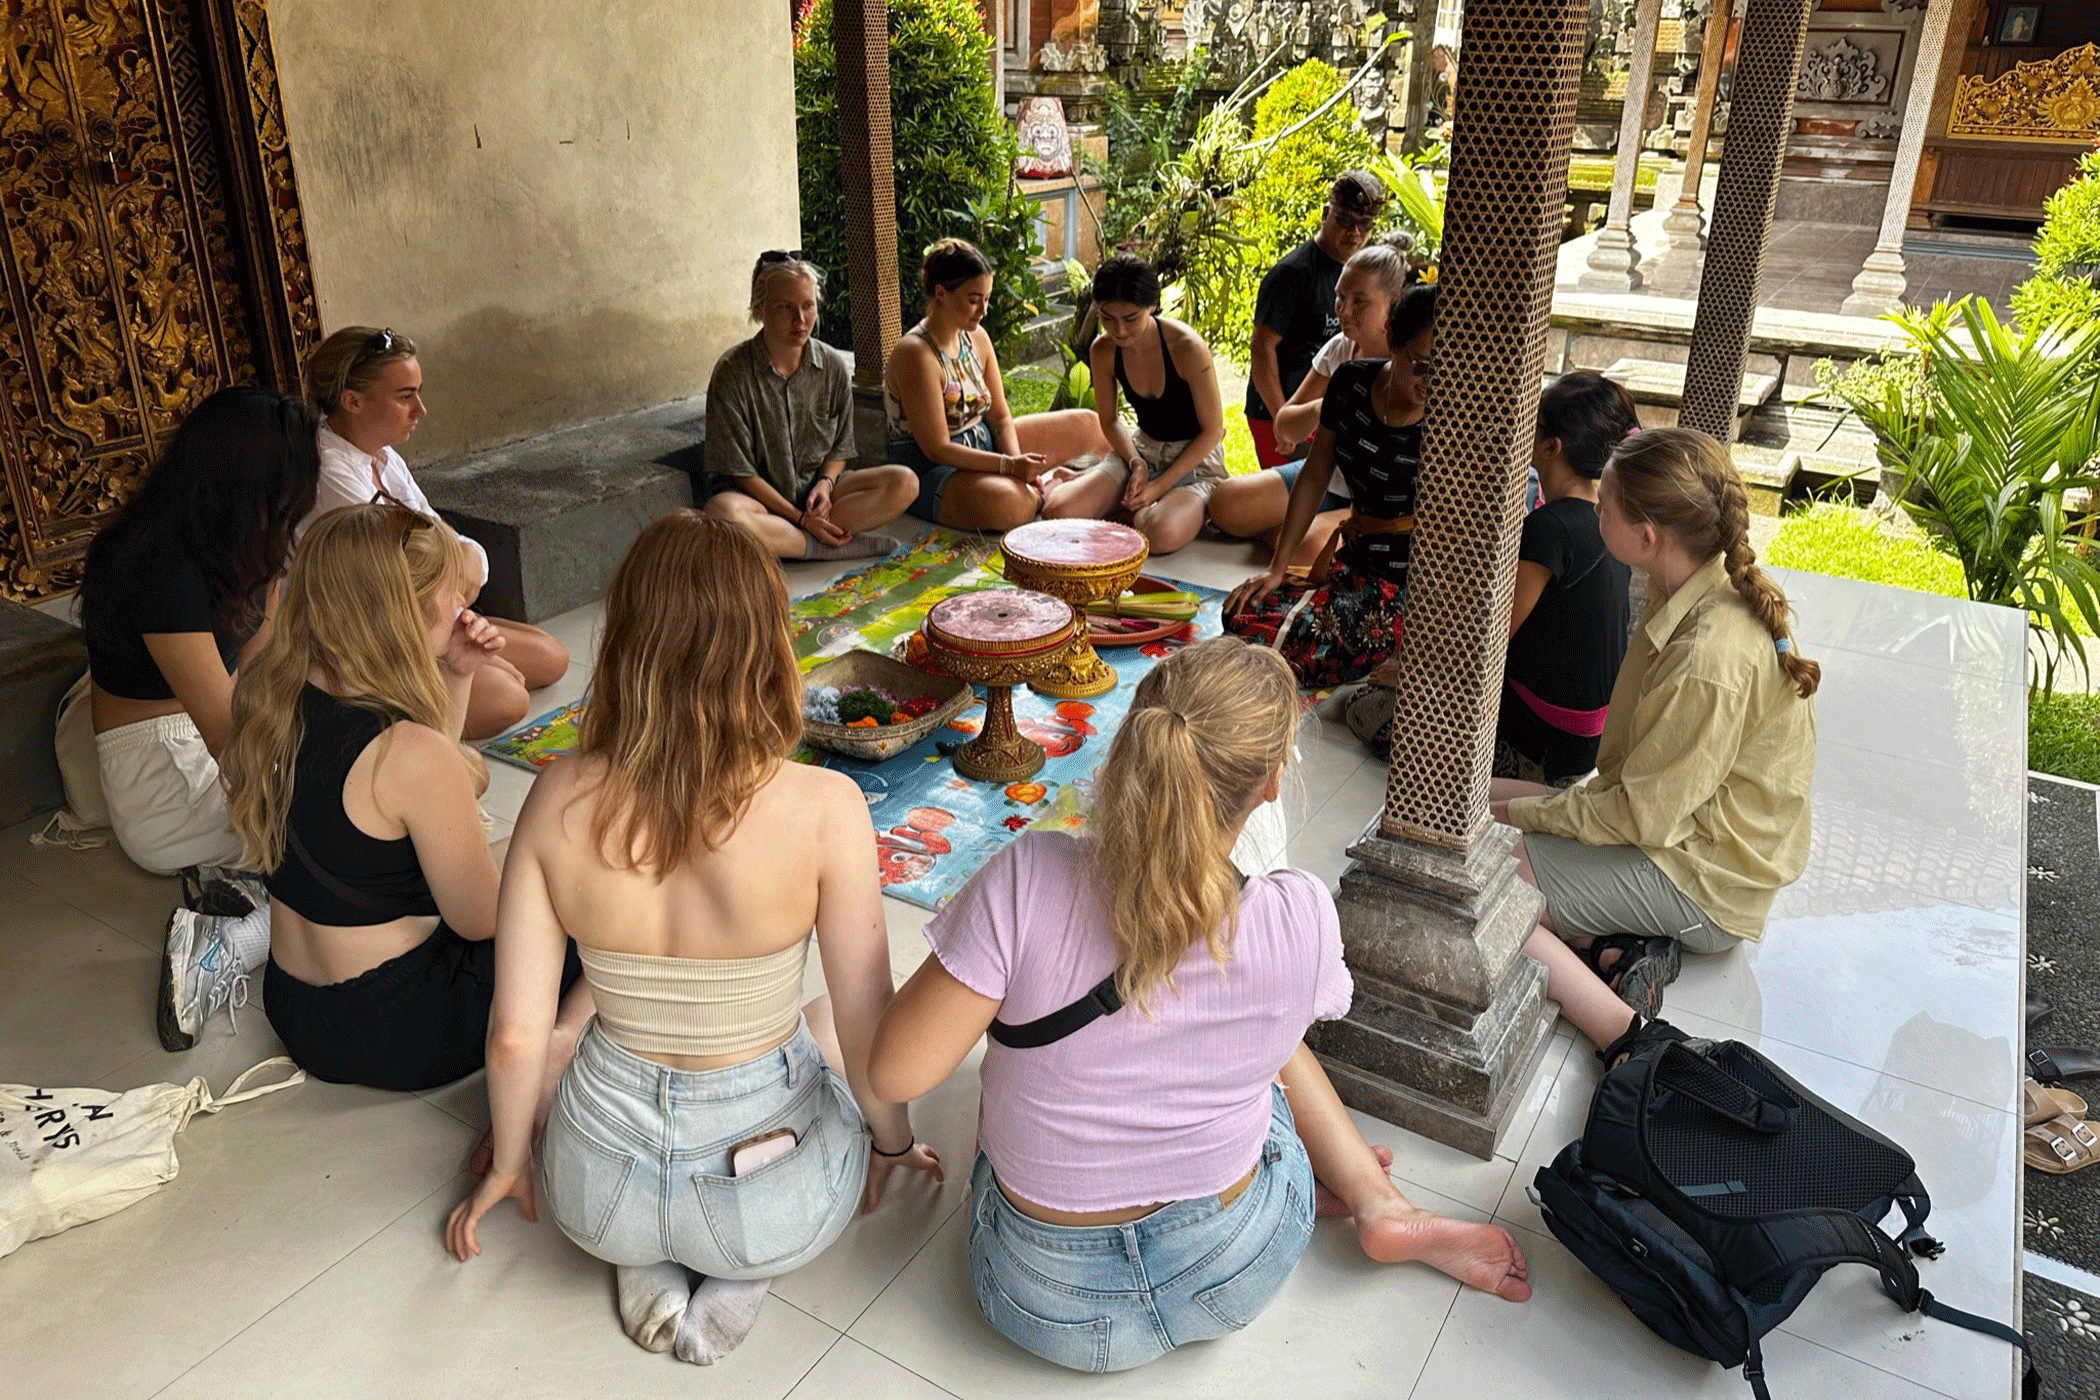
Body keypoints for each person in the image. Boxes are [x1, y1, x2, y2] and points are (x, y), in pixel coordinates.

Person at [870, 637, 1529, 1375]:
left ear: (1130, 751)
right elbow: (1266, 1036)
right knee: (1265, 1029)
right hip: (1238, 1266)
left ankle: (1354, 1191)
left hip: (1041, 1301)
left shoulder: (1028, 877)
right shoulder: (1298, 913)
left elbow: (896, 1074)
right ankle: (1377, 1201)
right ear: (1271, 782)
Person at [445, 513, 941, 1366]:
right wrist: (892, 1146)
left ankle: (641, 1257)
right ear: (767, 647)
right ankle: (740, 1265)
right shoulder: (824, 808)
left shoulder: (556, 794)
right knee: (824, 1017)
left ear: (627, 642)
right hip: (767, 1186)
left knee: (620, 1107)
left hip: (597, 1192)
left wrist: (509, 1164)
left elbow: (517, 1037)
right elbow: (868, 1030)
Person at [220, 502, 594, 1090]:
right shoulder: (409, 753)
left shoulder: (275, 698)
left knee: (514, 857)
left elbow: (409, 811)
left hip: (298, 1010)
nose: (463, 609)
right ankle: (564, 1043)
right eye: (451, 594)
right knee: (610, 882)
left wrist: (459, 673)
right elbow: (480, 920)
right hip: (400, 1031)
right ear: (401, 613)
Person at [1489, 427, 1818, 1060]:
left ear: (1646, 536)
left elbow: (1640, 814)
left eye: (1603, 507)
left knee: (1491, 877)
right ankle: (1619, 947)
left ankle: (1620, 1032)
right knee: (1482, 802)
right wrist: (1511, 810)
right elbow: (1634, 793)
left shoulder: (1709, 657)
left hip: (1706, 879)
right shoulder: (1689, 584)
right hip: (1672, 825)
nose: (1594, 512)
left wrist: (1517, 818)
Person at [77, 386, 319, 1047]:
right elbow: (227, 739)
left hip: (202, 752)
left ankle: (240, 885)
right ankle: (229, 940)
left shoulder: (226, 544)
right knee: (361, 825)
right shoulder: (159, 566)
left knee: (366, 789)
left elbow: (252, 675)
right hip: (165, 778)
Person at [301, 326, 569, 740]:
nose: (421, 410)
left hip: (429, 615)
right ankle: (411, 718)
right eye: (405, 396)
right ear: (352, 401)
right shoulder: (330, 472)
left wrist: (455, 579)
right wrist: (453, 578)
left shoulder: (385, 457)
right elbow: (411, 577)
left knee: (552, 658)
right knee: (508, 697)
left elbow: (447, 546)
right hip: (375, 641)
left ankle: (448, 665)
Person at [1224, 284, 1438, 688]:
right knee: (1241, 610)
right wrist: (1278, 568)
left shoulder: (1452, 418)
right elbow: (1315, 473)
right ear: (1392, 339)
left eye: (1449, 369)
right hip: (1352, 564)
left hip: (1408, 588)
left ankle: (1392, 645)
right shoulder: (1350, 382)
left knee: (1301, 643)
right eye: (1422, 366)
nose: (1434, 383)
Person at [1207, 235, 1415, 565]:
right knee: (1223, 504)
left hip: (1368, 500)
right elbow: (1285, 426)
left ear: (1395, 303)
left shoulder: (1409, 365)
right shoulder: (1340, 348)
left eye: (1359, 301)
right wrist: (1329, 405)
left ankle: (1290, 539)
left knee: (1305, 553)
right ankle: (1295, 538)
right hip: (1326, 478)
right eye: (1340, 298)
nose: (1344, 311)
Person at [701, 251, 918, 561]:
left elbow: (840, 449)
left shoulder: (832, 366)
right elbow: (740, 473)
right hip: (759, 501)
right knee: (721, 514)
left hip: (819, 496)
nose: (800, 320)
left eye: (808, 306)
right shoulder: (732, 372)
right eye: (785, 308)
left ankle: (791, 542)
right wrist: (799, 518)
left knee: (904, 482)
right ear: (760, 309)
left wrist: (827, 485)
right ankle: (821, 546)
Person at [884, 238, 1108, 532]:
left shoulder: (976, 338)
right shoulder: (916, 353)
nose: (983, 311)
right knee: (1014, 504)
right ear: (941, 293)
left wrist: (1015, 462)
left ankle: (1060, 490)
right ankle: (1057, 491)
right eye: (974, 300)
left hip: (985, 447)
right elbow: (937, 448)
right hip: (932, 471)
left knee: (1089, 425)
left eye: (986, 299)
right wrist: (1008, 467)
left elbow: (1001, 418)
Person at [1497, 371, 1640, 786]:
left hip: (1543, 747)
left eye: (1532, 421)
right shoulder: (1606, 516)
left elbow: (1493, 639)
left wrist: (1418, 676)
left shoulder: (1548, 528)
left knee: (1370, 708)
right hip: (1589, 743)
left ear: (1551, 446)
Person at [1039, 253, 1226, 554]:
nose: (1119, 331)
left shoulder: (1187, 348)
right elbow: (1110, 420)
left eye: (1131, 319)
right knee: (1057, 511)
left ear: (1151, 305)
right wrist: (1136, 462)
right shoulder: (1103, 351)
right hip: (1142, 449)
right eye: (1108, 319)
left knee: (1157, 534)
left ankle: (1146, 506)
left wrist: (1161, 485)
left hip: (1194, 461)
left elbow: (1213, 431)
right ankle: (1129, 503)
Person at [1240, 170, 1386, 472]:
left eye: (1364, 225)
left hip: (1320, 415)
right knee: (1281, 505)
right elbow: (1261, 348)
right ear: (1325, 214)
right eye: (1345, 220)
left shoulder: (1354, 272)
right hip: (1276, 411)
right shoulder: (1292, 274)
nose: (1355, 233)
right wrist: (1284, 419)